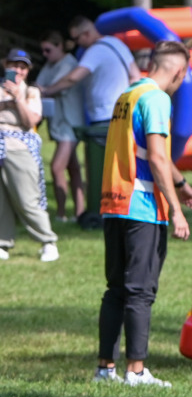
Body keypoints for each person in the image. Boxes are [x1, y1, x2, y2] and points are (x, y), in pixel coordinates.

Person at [95, 40, 192, 387]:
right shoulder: (157, 99)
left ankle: (104, 369)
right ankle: (136, 372)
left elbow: (146, 150)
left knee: (116, 289)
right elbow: (155, 156)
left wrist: (180, 182)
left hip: (114, 203)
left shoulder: (129, 94)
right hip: (142, 206)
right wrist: (176, 210)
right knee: (140, 291)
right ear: (179, 72)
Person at [37, 14, 136, 230]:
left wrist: (47, 91)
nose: (77, 44)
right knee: (117, 167)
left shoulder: (95, 50)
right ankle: (116, 210)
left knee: (100, 168)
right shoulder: (118, 44)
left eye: (77, 39)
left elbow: (74, 77)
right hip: (123, 113)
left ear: (87, 33)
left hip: (104, 116)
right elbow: (135, 75)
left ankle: (100, 211)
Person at [0, 49, 58, 264]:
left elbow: (30, 121)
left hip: (19, 147)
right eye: (14, 65)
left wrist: (16, 98)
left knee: (27, 199)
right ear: (6, 65)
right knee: (1, 200)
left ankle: (48, 241)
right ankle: (3, 242)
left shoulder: (31, 92)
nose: (17, 70)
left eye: (22, 67)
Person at [36, 32, 84, 223]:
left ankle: (61, 214)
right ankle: (79, 213)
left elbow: (51, 88)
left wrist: (43, 91)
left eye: (48, 49)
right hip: (59, 124)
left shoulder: (69, 64)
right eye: (43, 50)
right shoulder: (50, 65)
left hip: (69, 124)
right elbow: (39, 86)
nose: (45, 54)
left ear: (60, 47)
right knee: (73, 169)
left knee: (57, 168)